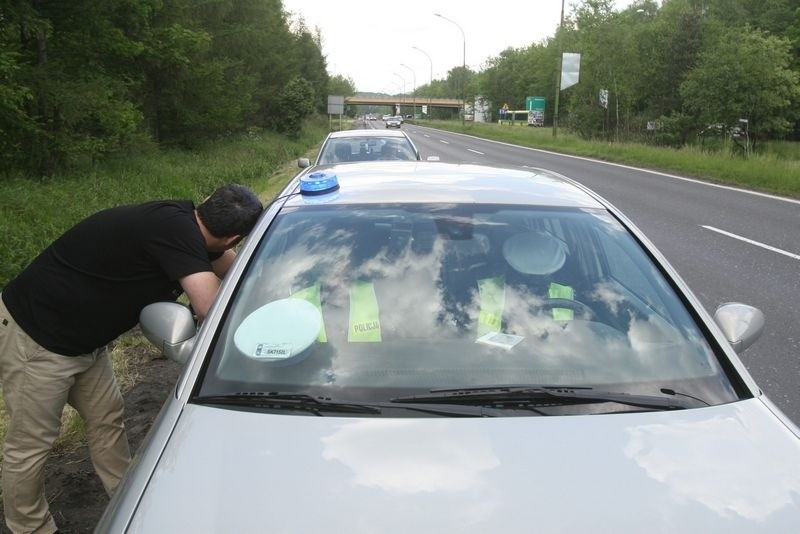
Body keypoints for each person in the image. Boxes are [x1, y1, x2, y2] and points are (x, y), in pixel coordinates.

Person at [0, 183, 263, 534]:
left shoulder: (190, 225)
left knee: (108, 419)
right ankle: (30, 528)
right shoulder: (177, 234)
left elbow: (239, 274)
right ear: (233, 238)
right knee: (30, 446)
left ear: (206, 200)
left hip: (85, 343)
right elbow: (212, 309)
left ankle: (128, 502)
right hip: (37, 339)